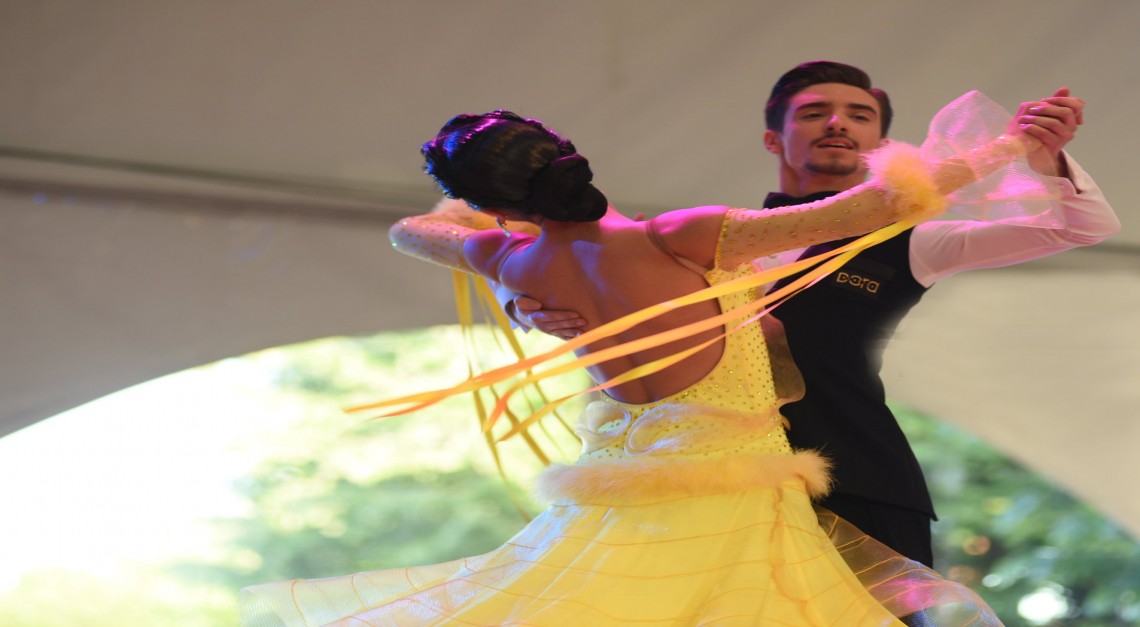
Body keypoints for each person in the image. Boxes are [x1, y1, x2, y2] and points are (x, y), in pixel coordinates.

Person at [240, 103, 1042, 625]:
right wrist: (1012, 144)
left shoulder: (511, 260)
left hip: (621, 502)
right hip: (739, 500)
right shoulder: (681, 237)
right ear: (570, 157)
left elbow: (409, 232)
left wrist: (518, 292)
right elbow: (872, 207)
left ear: (502, 205)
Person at [507, 61, 1120, 567]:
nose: (837, 123)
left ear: (882, 144)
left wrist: (1044, 158)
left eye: (859, 115)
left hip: (859, 478)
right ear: (773, 139)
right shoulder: (696, 239)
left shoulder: (911, 240)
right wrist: (526, 309)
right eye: (813, 112)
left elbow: (1082, 227)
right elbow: (585, 282)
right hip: (715, 482)